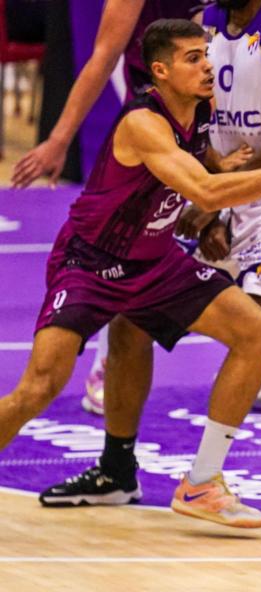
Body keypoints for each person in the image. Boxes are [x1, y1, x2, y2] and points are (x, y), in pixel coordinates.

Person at [1, 19, 261, 529]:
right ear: (161, 71)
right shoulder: (143, 123)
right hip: (92, 263)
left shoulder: (200, 111)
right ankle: (118, 467)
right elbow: (207, 189)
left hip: (154, 261)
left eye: (206, 55)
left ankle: (199, 483)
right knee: (38, 387)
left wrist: (220, 186)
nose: (207, 65)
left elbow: (209, 170)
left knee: (260, 333)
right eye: (194, 58)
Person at [12, 0, 228, 417]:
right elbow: (103, 56)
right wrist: (58, 140)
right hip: (156, 124)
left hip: (204, 113)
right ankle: (105, 364)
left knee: (192, 244)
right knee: (128, 246)